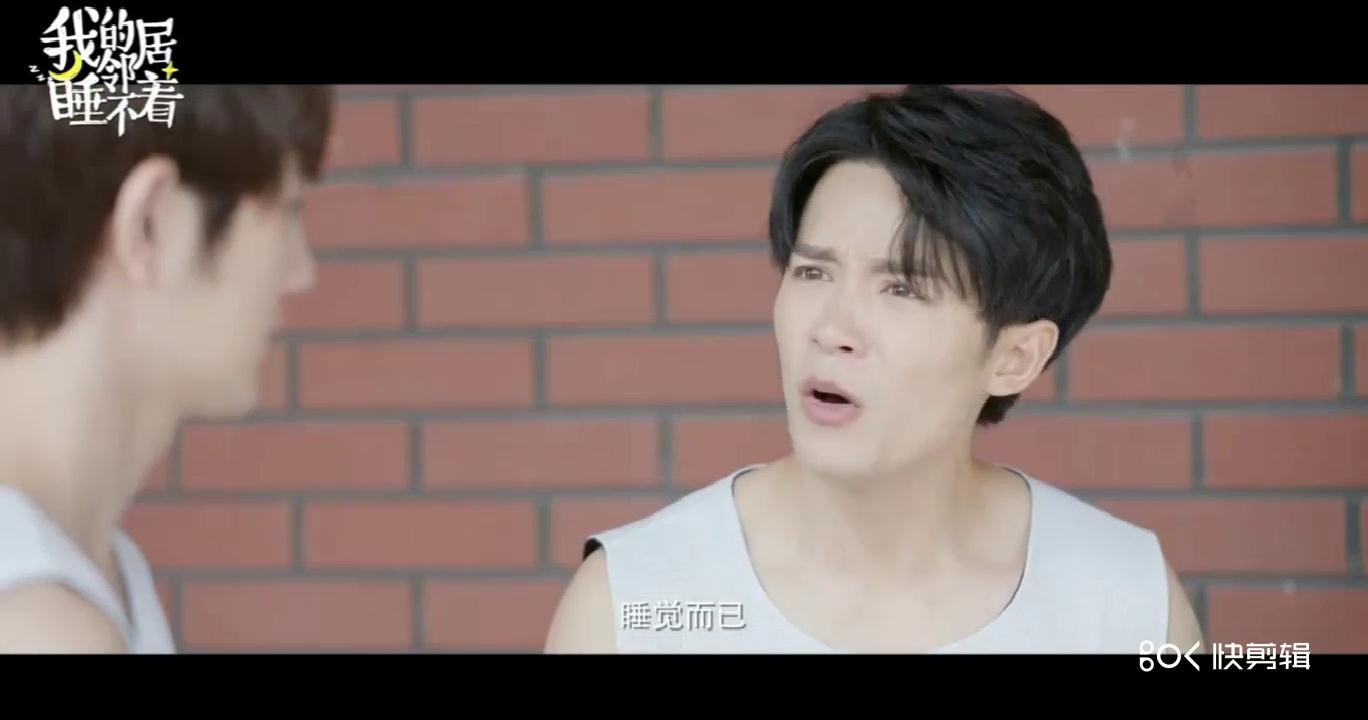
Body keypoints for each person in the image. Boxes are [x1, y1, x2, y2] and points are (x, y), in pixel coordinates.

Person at [545, 84, 1204, 654]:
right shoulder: (637, 604)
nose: (831, 329)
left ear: (1014, 358)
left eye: (902, 288)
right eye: (813, 273)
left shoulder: (1123, 605)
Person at [0, 84, 333, 653]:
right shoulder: (37, 628)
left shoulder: (90, 572)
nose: (302, 271)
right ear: (151, 223)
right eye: (289, 208)